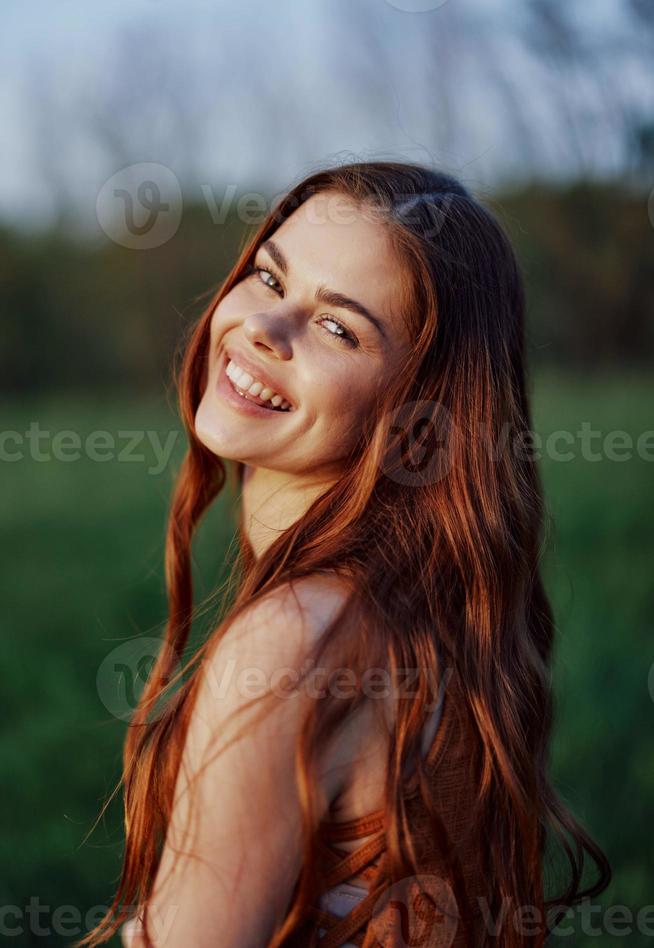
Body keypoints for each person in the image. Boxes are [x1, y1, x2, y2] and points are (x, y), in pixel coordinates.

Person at [76, 161, 610, 947]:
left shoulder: (297, 641)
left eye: (337, 326)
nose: (266, 327)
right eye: (268, 276)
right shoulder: (419, 606)